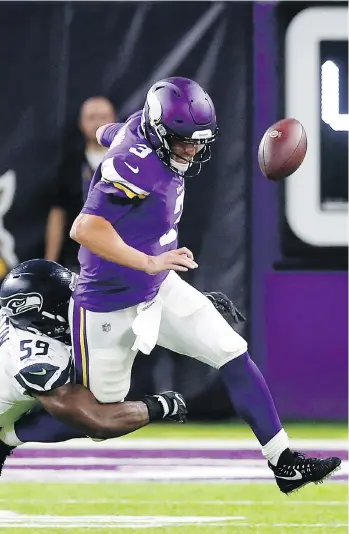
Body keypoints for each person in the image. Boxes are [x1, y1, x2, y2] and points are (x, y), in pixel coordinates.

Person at [19, 77, 341, 495]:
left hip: (157, 283)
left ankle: (284, 462)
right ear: (157, 131)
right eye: (183, 140)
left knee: (230, 350)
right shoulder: (135, 164)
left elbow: (106, 131)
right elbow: (85, 227)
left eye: (197, 140)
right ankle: (8, 437)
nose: (191, 149)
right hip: (108, 300)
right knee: (98, 418)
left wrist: (154, 267)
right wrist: (150, 260)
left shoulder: (143, 131)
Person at [0, 259, 187, 473]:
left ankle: (7, 436)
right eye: (68, 303)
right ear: (40, 317)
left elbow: (120, 309)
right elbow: (98, 421)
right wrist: (160, 406)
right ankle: (7, 436)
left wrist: (189, 309)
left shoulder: (24, 319)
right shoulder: (35, 361)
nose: (79, 306)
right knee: (86, 409)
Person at [45, 96, 117, 269]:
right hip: (79, 259)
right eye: (91, 118)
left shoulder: (131, 160)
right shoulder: (70, 165)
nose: (97, 123)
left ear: (114, 120)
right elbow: (58, 214)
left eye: (103, 117)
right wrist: (49, 263)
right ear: (81, 123)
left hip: (125, 257)